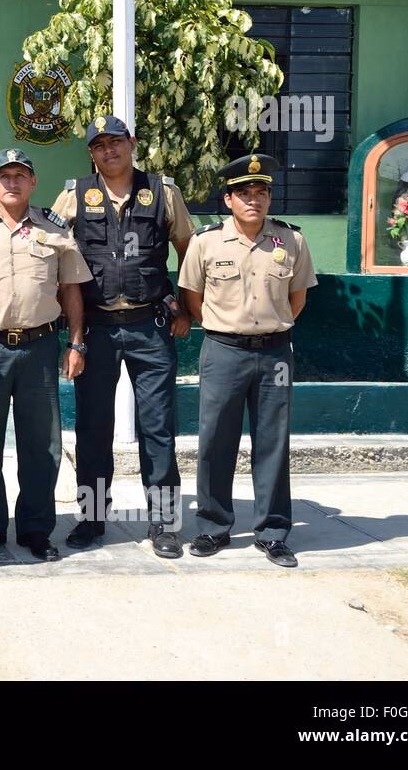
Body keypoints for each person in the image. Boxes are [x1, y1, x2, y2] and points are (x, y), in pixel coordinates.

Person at [50, 115, 195, 559]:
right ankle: (93, 520)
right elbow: (51, 251)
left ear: (131, 144)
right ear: (91, 153)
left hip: (149, 327)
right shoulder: (74, 195)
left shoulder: (163, 192)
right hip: (95, 328)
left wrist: (187, 307)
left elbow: (190, 251)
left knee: (158, 429)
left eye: (115, 142)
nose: (108, 151)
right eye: (99, 146)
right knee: (94, 431)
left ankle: (164, 525)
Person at [0, 148, 90, 561]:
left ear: (33, 182)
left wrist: (77, 343)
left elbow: (71, 289)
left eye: (20, 175)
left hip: (40, 347)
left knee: (42, 446)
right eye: (4, 176)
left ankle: (35, 529)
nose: (12, 182)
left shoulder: (55, 228)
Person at [178, 153, 317, 568]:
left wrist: (274, 326)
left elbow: (299, 296)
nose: (253, 200)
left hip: (275, 351)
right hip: (224, 351)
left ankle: (273, 532)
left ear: (270, 198)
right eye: (244, 193)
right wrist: (223, 328)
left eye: (261, 192)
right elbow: (193, 297)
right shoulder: (206, 243)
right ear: (228, 199)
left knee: (273, 441)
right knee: (215, 440)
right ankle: (212, 526)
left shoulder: (291, 241)